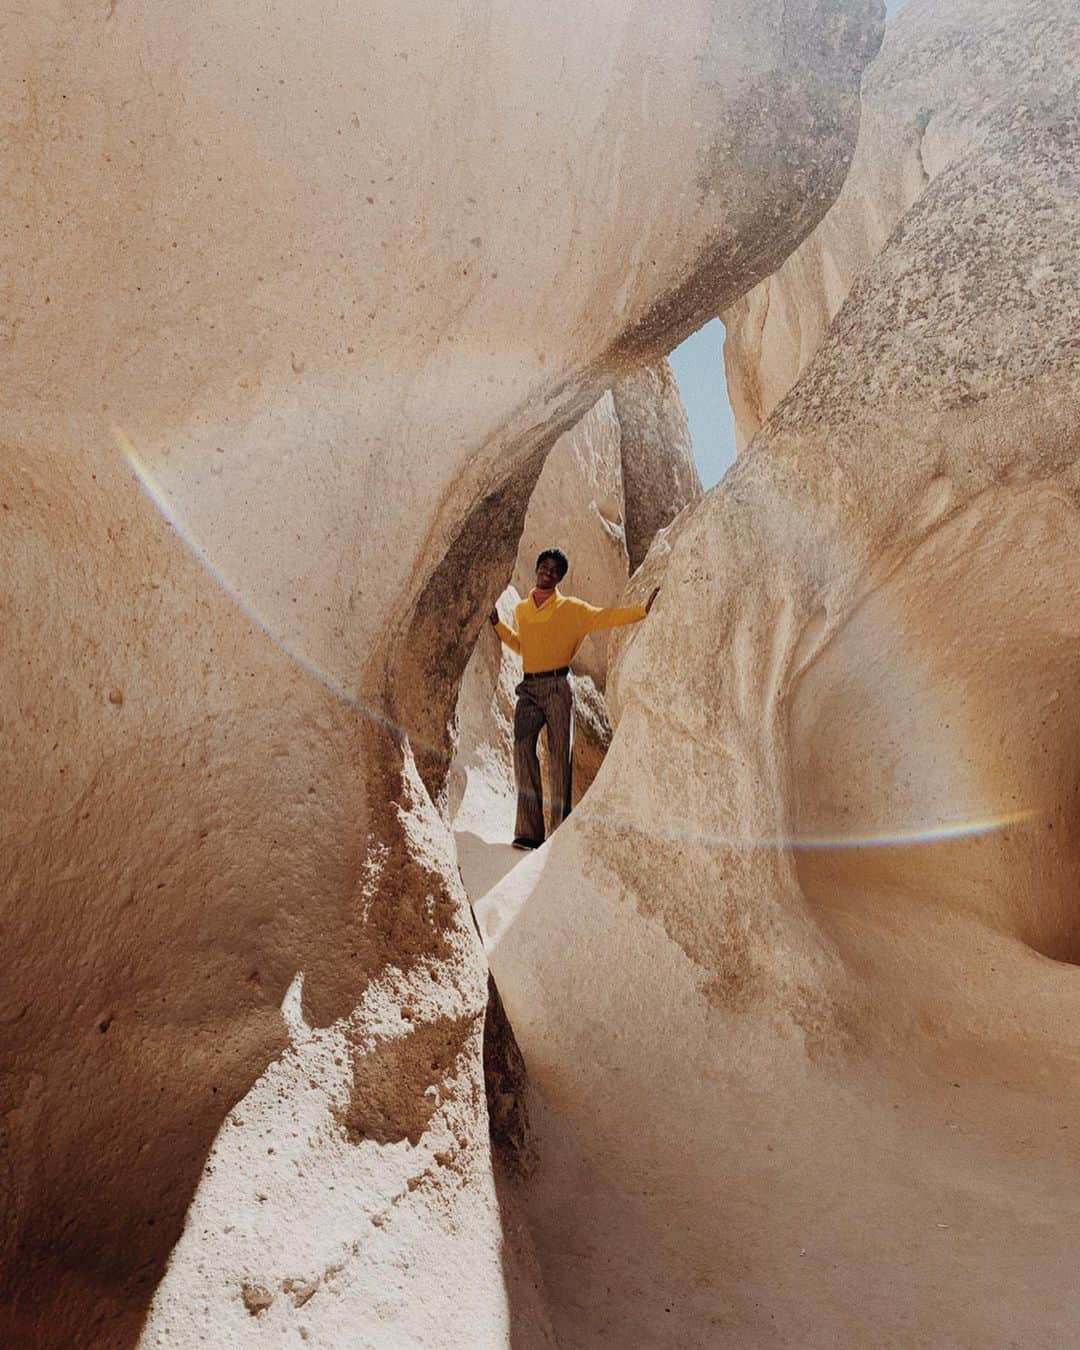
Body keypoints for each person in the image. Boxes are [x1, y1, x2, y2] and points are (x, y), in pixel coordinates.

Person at [489, 547, 659, 850]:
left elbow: (606, 617)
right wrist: (498, 625)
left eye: (555, 570)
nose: (548, 572)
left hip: (558, 687)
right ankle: (528, 832)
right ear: (538, 568)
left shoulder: (572, 609)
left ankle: (557, 835)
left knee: (559, 759)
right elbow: (522, 646)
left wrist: (642, 611)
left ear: (559, 578)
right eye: (544, 566)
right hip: (528, 689)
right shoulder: (523, 610)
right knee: (521, 748)